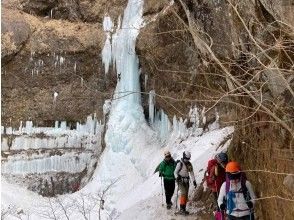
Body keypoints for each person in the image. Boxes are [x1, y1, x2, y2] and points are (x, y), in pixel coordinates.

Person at [174, 151, 197, 215]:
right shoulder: (180, 164)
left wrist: (194, 181)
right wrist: (177, 177)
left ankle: (183, 209)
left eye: (188, 159)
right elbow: (175, 172)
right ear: (184, 157)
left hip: (186, 181)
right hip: (180, 181)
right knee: (183, 193)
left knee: (186, 195)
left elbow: (191, 173)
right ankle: (181, 209)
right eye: (186, 159)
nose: (187, 160)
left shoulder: (189, 164)